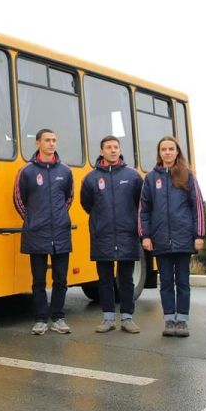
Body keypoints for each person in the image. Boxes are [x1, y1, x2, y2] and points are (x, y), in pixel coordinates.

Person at [138, 136, 205, 337]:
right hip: (160, 240)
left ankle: (182, 320)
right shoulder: (151, 178)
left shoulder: (187, 176)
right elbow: (144, 209)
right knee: (166, 282)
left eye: (171, 149)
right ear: (159, 153)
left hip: (184, 239)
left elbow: (198, 207)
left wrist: (199, 234)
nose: (167, 152)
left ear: (177, 152)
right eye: (164, 149)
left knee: (183, 282)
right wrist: (145, 236)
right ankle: (169, 320)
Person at [14, 128, 74, 335]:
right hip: (36, 233)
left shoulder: (65, 171)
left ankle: (58, 318)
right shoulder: (27, 171)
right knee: (38, 280)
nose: (51, 144)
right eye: (47, 140)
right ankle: (40, 319)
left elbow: (69, 198)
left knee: (61, 279)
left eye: (54, 140)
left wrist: (58, 217)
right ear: (37, 143)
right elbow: (18, 199)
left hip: (61, 232)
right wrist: (31, 220)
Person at [81, 135, 144, 334]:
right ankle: (108, 318)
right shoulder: (91, 178)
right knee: (105, 280)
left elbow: (140, 203)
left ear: (119, 150)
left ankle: (127, 318)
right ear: (101, 151)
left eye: (116, 147)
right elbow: (86, 204)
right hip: (103, 235)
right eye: (108, 147)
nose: (113, 150)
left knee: (126, 280)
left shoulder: (133, 176)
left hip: (127, 235)